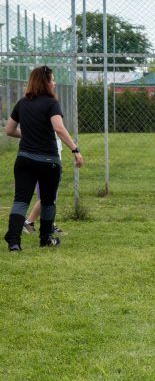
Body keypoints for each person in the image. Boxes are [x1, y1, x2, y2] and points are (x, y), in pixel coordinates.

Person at [4, 65, 83, 252]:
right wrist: (75, 149)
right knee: (48, 201)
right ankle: (46, 239)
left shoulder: (22, 103)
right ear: (45, 82)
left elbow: (9, 130)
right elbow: (59, 128)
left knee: (20, 200)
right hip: (48, 162)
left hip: (24, 160)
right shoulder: (51, 103)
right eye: (52, 80)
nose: (54, 83)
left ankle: (14, 241)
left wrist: (28, 134)